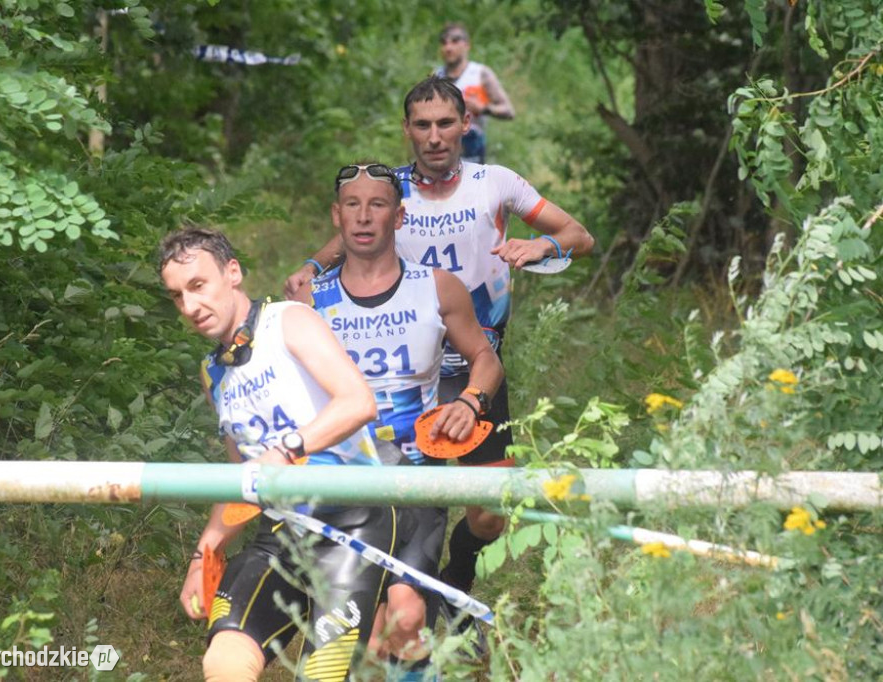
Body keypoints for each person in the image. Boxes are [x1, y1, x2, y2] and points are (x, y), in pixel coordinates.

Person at [284, 76, 594, 618]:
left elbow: (578, 236)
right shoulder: (390, 191)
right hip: (411, 369)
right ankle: (408, 598)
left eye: (445, 123)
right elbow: (346, 239)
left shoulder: (496, 182)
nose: (434, 136)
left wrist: (538, 243)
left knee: (490, 517)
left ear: (465, 125)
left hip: (478, 368)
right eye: (422, 125)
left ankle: (458, 573)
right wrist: (309, 270)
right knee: (407, 500)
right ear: (407, 130)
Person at [162, 225, 396, 682]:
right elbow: (242, 476)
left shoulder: (289, 320)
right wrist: (203, 553)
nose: (189, 306)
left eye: (197, 286)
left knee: (322, 675)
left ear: (233, 273)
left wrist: (287, 450)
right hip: (281, 532)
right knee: (224, 662)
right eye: (176, 296)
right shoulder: (213, 371)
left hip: (353, 524)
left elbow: (357, 401)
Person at [310, 162, 504, 678]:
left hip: (414, 477)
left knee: (407, 616)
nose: (364, 216)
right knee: (362, 632)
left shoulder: (438, 288)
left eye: (377, 205)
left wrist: (468, 402)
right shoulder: (309, 301)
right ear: (337, 216)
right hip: (341, 478)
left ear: (399, 217)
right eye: (353, 205)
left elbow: (486, 360)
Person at [436, 22, 514, 164]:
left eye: (454, 41)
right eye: (444, 43)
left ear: (466, 45)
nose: (448, 47)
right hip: (441, 147)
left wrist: (483, 108)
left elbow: (508, 111)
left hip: (472, 148)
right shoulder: (436, 76)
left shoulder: (480, 74)